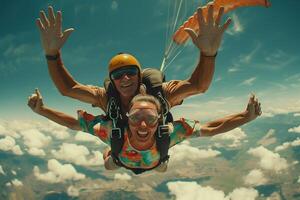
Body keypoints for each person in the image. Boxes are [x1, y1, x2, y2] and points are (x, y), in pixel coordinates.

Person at [36, 5, 232, 120]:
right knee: (110, 163)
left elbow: (199, 86)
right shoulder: (106, 97)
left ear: (139, 75)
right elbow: (68, 89)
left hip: (155, 147)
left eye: (130, 71)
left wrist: (208, 54)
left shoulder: (161, 93)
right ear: (112, 81)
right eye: (118, 75)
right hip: (126, 149)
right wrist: (52, 55)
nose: (126, 78)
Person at [28, 89, 261, 174]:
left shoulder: (168, 133)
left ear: (159, 120)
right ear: (126, 117)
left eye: (150, 118)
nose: (142, 125)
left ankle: (123, 158)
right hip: (122, 160)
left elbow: (211, 129)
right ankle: (112, 157)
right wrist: (43, 110)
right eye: (136, 117)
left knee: (161, 166)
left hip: (154, 162)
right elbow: (73, 123)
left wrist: (246, 117)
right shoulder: (113, 132)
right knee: (109, 165)